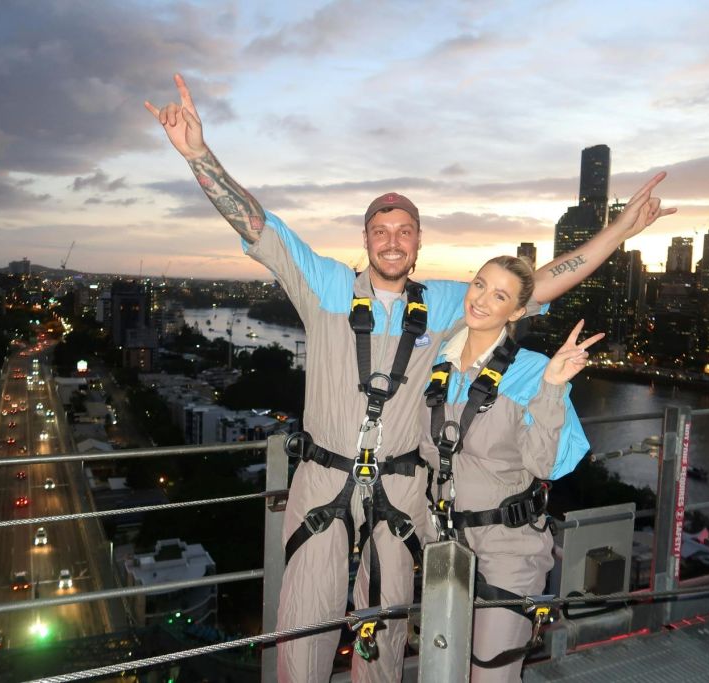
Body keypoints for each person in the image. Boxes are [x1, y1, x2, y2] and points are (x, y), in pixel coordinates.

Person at [145, 73, 675, 683]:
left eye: (403, 231)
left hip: (401, 491)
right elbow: (257, 225)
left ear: (418, 242)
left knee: (387, 635)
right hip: (322, 481)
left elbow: (533, 283)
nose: (391, 240)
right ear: (365, 239)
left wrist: (619, 231)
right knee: (302, 633)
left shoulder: (449, 304)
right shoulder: (327, 287)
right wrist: (197, 156)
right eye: (380, 229)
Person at [420, 256, 597, 682]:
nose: (481, 300)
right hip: (443, 543)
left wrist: (553, 388)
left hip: (508, 548)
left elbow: (545, 465)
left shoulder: (532, 370)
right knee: (443, 671)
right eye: (479, 285)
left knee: (491, 676)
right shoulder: (434, 363)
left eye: (499, 295)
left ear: (518, 311)